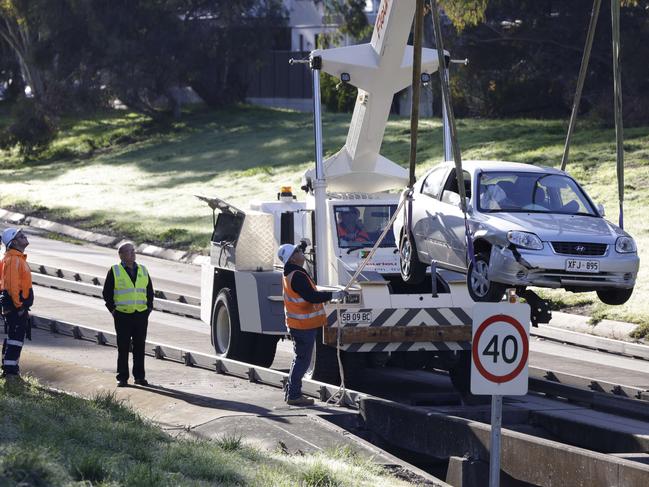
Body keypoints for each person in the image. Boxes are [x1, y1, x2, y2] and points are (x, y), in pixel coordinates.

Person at [278, 243, 346, 406]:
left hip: (298, 324)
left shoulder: (291, 274)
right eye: (299, 251)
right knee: (302, 360)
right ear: (293, 258)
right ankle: (294, 395)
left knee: (299, 359)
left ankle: (291, 392)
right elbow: (311, 296)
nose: (302, 253)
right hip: (303, 325)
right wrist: (333, 295)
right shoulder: (298, 276)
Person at [102, 242, 154, 387]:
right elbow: (107, 294)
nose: (133, 253)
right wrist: (114, 311)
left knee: (140, 347)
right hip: (122, 315)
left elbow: (149, 291)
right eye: (130, 251)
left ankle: (139, 377)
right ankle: (122, 377)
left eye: (133, 251)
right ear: (122, 255)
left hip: (141, 315)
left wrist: (148, 309)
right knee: (123, 347)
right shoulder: (115, 270)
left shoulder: (143, 269)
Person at [1, 228, 33, 379]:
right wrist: (19, 306)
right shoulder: (14, 259)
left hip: (17, 306)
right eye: (21, 236)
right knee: (15, 338)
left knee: (14, 337)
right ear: (13, 242)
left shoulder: (16, 258)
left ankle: (10, 369)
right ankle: (10, 373)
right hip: (16, 307)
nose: (24, 236)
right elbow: (13, 286)